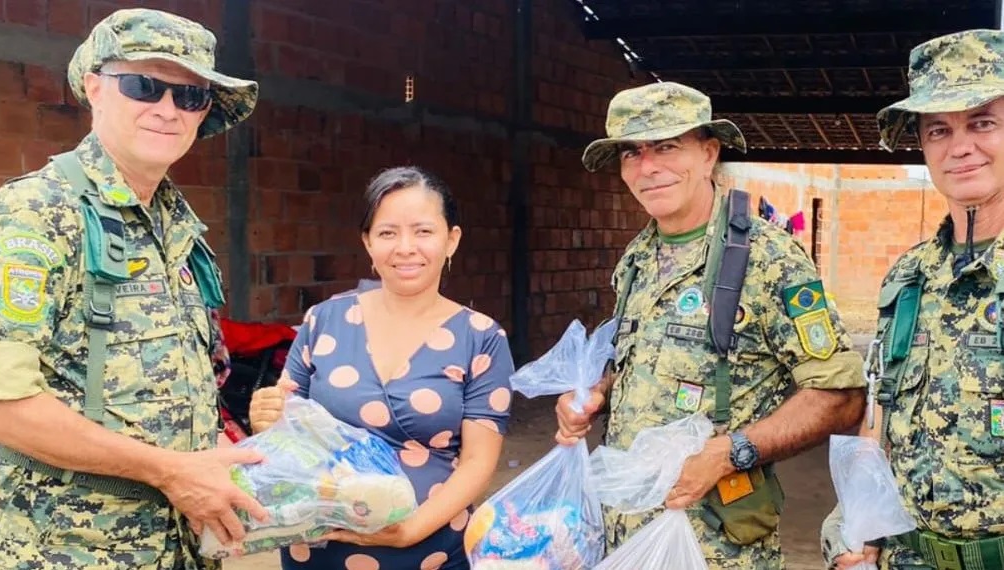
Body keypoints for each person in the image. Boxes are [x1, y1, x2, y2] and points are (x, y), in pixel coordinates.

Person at [0, 8, 265, 569]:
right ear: (95, 88)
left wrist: (218, 458)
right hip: (56, 547)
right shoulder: (39, 213)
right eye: (143, 86)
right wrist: (172, 471)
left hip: (168, 544)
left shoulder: (174, 227)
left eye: (189, 97)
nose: (167, 110)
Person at [554, 82, 867, 569]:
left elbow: (840, 396)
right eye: (631, 152)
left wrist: (731, 452)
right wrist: (598, 392)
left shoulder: (767, 258)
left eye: (666, 146)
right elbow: (643, 361)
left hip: (716, 548)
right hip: (623, 538)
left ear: (708, 153)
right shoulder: (638, 257)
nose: (648, 166)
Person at [248, 166, 514, 570]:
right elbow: (287, 429)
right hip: (319, 549)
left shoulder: (482, 338)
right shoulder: (324, 321)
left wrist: (409, 531)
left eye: (423, 231)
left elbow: (478, 461)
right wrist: (266, 420)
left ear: (451, 240)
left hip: (431, 552)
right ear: (368, 243)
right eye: (388, 233)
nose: (405, 247)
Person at [822, 28, 1004, 570]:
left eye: (983, 122)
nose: (960, 146)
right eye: (938, 129)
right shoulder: (910, 275)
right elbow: (882, 412)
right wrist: (855, 526)